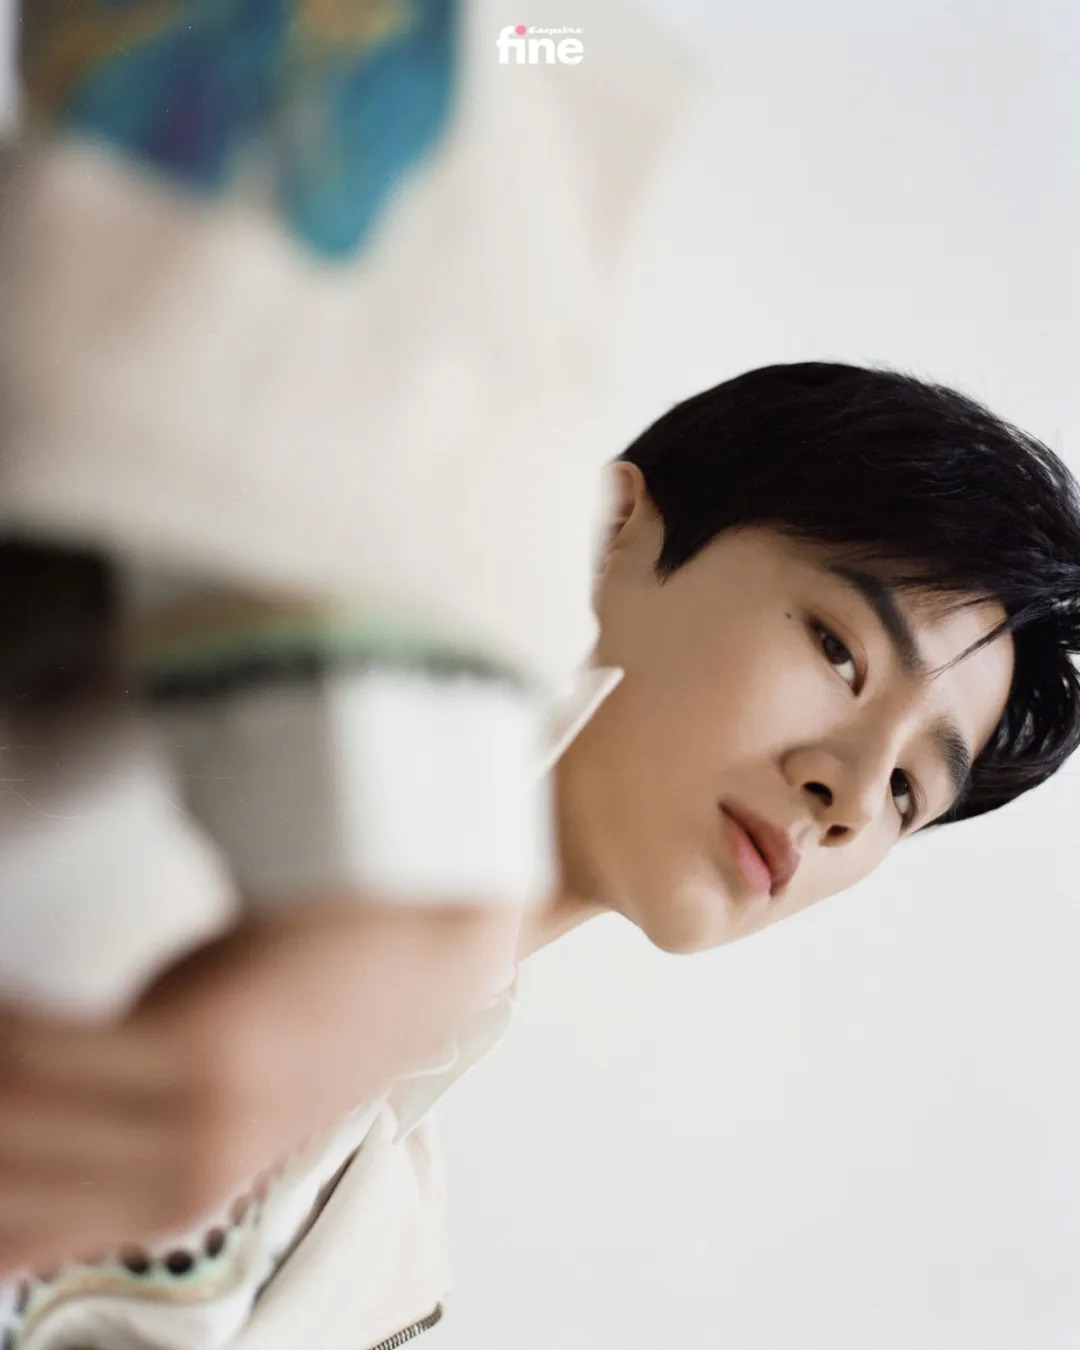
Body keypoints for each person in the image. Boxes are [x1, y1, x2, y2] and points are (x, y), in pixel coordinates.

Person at [3, 362, 1079, 1350]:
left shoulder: (386, 1256)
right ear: (608, 529)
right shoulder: (149, 733)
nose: (849, 792)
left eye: (907, 792)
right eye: (840, 651)